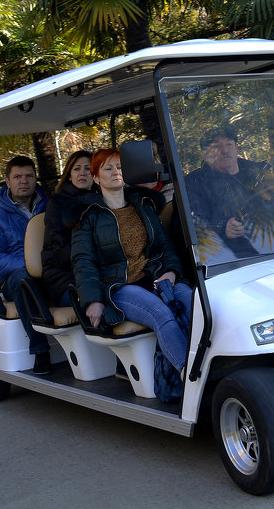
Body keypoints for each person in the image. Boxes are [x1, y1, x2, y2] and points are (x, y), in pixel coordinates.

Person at [70, 148, 192, 376]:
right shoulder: (87, 215)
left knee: (195, 304)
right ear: (96, 178)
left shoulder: (143, 206)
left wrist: (172, 273)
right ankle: (191, 375)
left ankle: (216, 367)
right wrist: (92, 300)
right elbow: (83, 261)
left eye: (119, 167)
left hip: (155, 278)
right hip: (118, 287)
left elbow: (165, 246)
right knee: (160, 313)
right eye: (108, 168)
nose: (116, 172)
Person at [0, 155, 51, 373]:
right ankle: (40, 350)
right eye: (17, 176)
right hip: (16, 278)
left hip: (51, 270)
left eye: (29, 176)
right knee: (23, 280)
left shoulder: (50, 207)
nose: (24, 181)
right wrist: (32, 264)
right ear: (7, 181)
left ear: (36, 178)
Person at [183, 126, 274, 257]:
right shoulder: (193, 183)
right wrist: (222, 226)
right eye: (217, 147)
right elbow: (189, 222)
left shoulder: (261, 171)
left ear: (237, 149)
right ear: (205, 155)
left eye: (229, 144)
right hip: (230, 258)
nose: (225, 150)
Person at [41, 150, 94, 307]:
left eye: (88, 168)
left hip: (95, 272)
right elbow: (60, 249)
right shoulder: (57, 204)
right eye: (77, 169)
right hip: (64, 276)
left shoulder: (102, 200)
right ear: (69, 174)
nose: (82, 173)